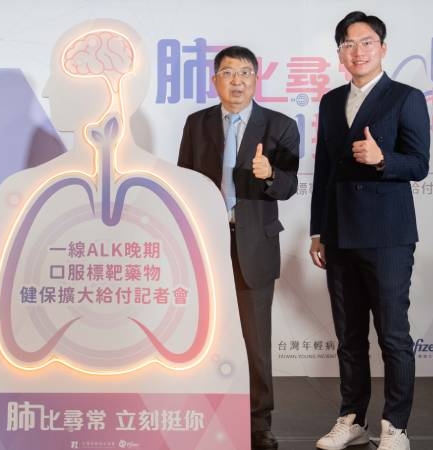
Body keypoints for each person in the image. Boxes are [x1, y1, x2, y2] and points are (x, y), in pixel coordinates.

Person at [310, 11, 430, 450]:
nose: (357, 51)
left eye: (366, 43)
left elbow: (419, 164)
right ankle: (352, 418)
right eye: (348, 44)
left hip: (387, 235)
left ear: (382, 48)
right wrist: (318, 230)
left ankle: (395, 425)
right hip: (340, 233)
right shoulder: (330, 101)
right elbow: (323, 170)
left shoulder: (405, 98)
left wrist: (382, 159)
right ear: (339, 52)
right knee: (349, 336)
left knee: (393, 335)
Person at [178, 45, 299, 450]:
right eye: (228, 73)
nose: (237, 81)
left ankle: (258, 422)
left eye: (245, 73)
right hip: (206, 244)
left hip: (254, 245)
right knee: (203, 335)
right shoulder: (197, 124)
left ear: (256, 79)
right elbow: (184, 181)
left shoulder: (279, 126)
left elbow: (289, 185)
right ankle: (202, 410)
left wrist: (270, 174)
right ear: (215, 80)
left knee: (255, 341)